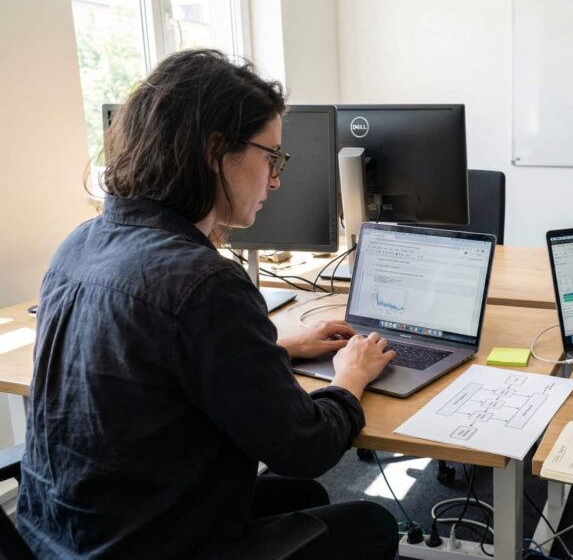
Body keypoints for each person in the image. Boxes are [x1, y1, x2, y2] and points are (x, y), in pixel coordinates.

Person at [17, 49, 400, 559]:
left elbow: (146, 374)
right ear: (216, 151)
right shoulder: (206, 283)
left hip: (60, 538)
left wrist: (276, 351)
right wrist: (350, 377)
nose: (277, 179)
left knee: (301, 500)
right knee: (371, 522)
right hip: (146, 545)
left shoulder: (80, 243)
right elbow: (304, 448)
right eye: (272, 158)